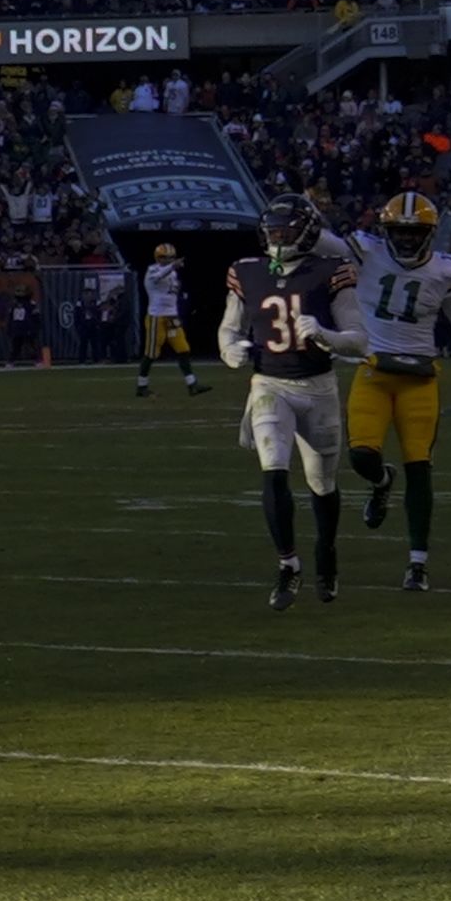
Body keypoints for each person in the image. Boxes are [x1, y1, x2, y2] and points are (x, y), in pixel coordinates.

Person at [311, 192, 451, 592]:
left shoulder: (447, 271)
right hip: (373, 371)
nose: (408, 239)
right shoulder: (364, 251)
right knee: (362, 456)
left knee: (420, 467)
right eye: (400, 231)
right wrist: (298, 213)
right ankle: (381, 483)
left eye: (415, 232)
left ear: (430, 234)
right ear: (386, 231)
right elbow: (316, 238)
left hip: (421, 379)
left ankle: (418, 563)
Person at [218, 196, 361, 610]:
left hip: (318, 387)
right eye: (273, 230)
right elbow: (228, 328)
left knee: (322, 484)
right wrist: (232, 352)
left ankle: (326, 553)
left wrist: (326, 335)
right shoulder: (247, 271)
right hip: (269, 385)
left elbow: (359, 338)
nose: (278, 238)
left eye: (286, 230)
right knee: (273, 469)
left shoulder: (330, 271)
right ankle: (288, 565)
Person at [138, 241, 209, 397]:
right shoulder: (152, 270)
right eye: (165, 257)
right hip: (157, 316)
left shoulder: (173, 273)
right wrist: (172, 266)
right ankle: (141, 386)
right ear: (158, 257)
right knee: (151, 353)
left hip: (172, 315)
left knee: (183, 349)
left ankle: (192, 384)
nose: (168, 260)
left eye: (171, 257)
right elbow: (157, 277)